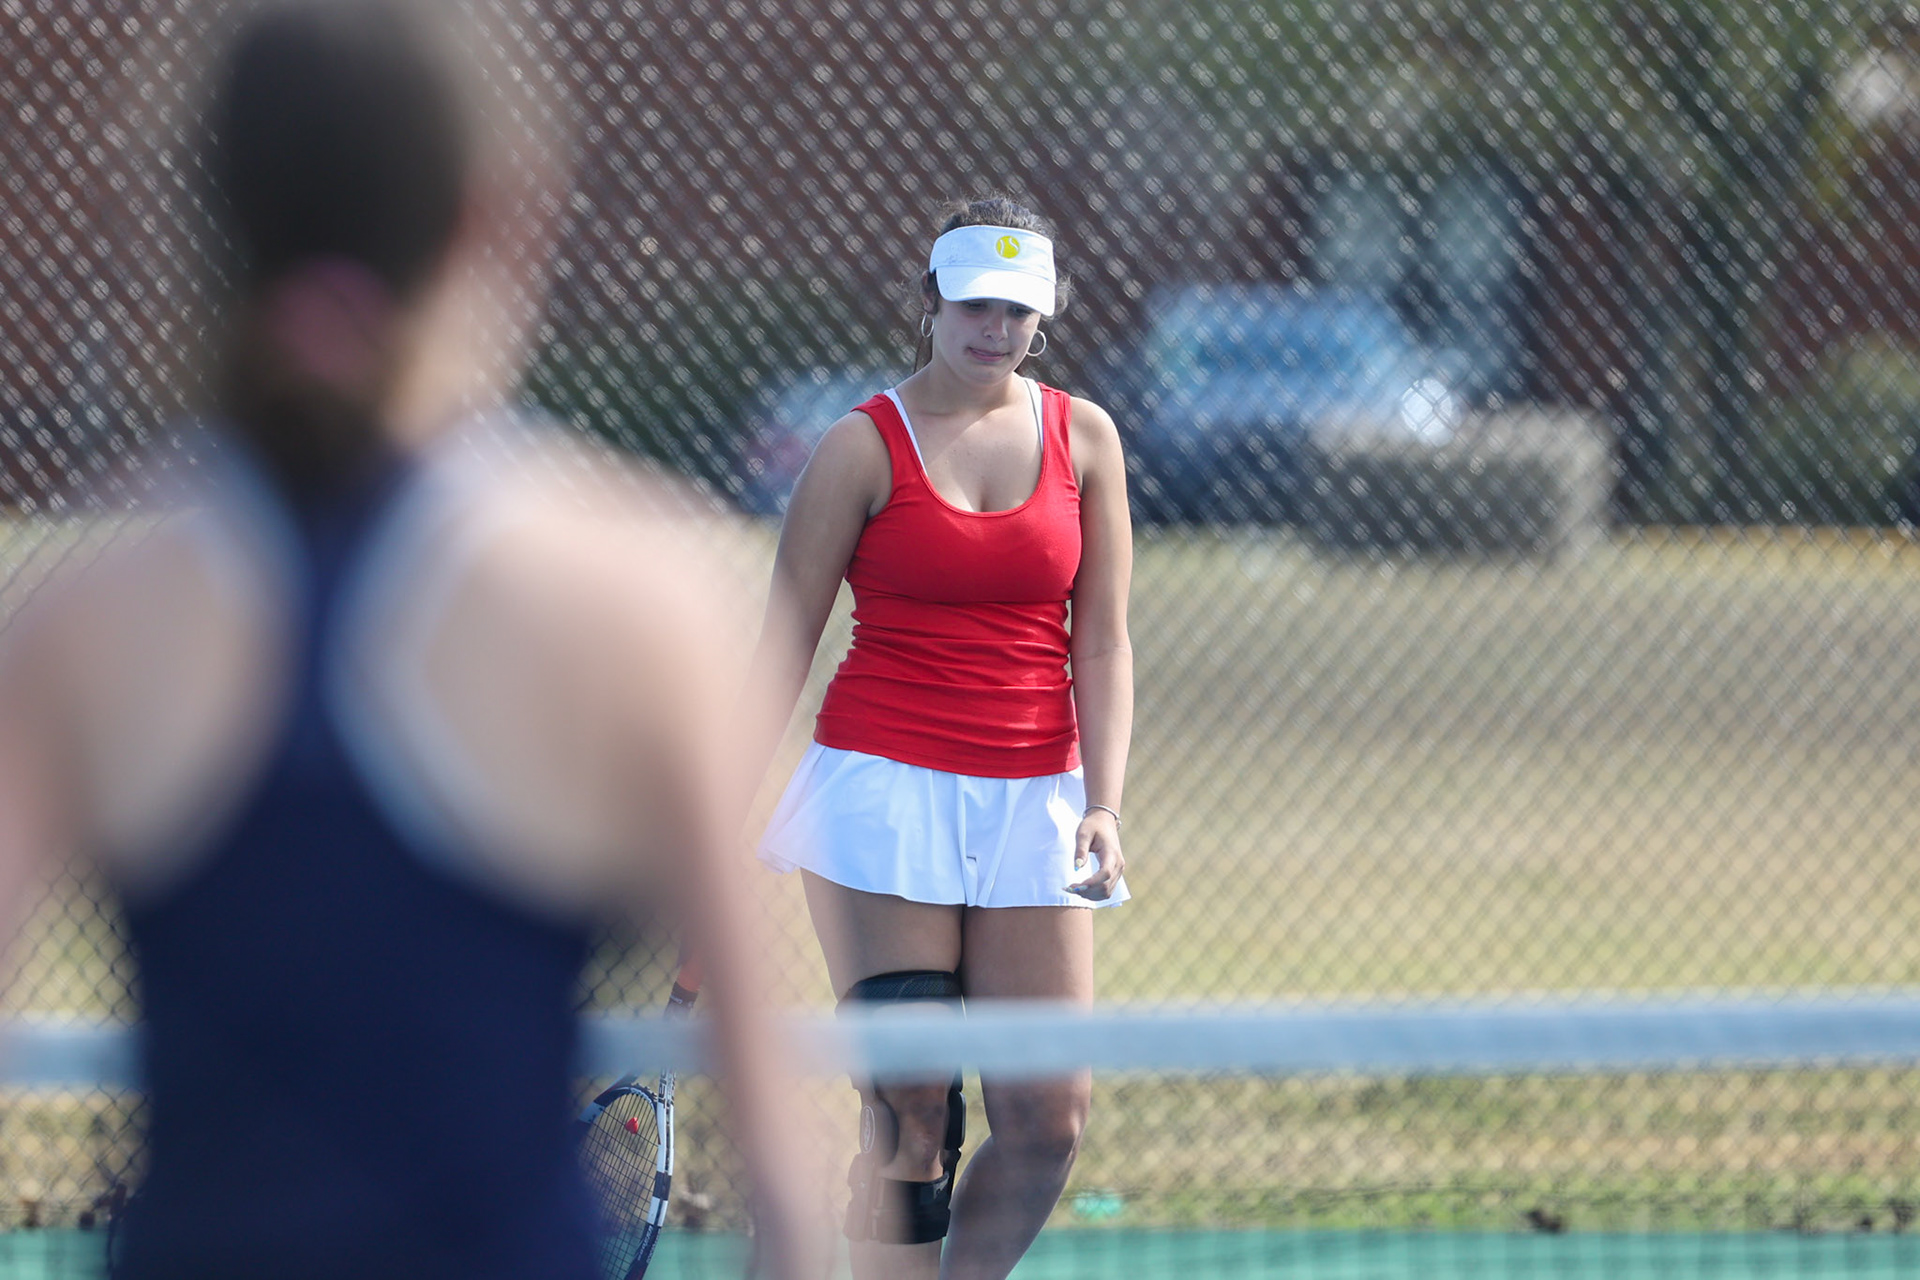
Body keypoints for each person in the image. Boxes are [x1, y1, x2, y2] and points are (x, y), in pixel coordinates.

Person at [0, 3, 822, 1277]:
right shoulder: (646, 592)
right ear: (501, 215)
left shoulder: (87, 617)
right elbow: (783, 1159)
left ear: (203, 224)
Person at [745, 196, 1134, 1280]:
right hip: (883, 789)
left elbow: (1101, 643)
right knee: (912, 1101)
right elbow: (784, 642)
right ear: (931, 303)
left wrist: (1102, 802)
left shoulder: (1087, 438)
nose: (993, 328)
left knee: (1049, 1114)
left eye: (1016, 310)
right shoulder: (858, 445)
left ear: (1042, 320)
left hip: (1035, 804)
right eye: (973, 304)